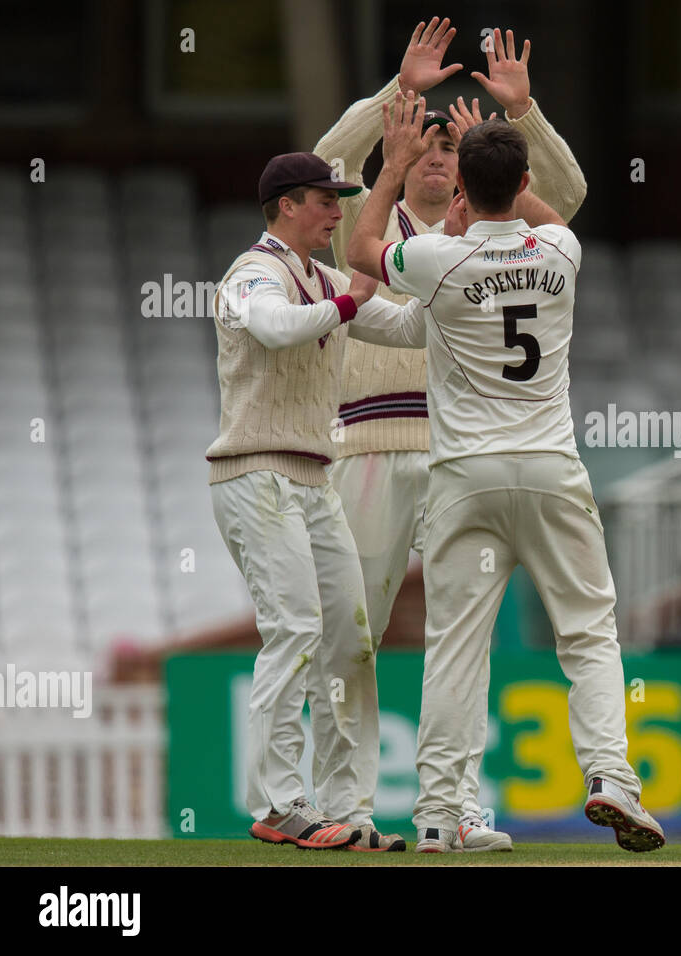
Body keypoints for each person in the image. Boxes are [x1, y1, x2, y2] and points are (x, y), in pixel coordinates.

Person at [346, 90, 664, 854]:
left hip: (464, 478)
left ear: (461, 191)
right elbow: (552, 216)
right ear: (522, 181)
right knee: (587, 634)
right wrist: (509, 138)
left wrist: (392, 171)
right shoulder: (559, 251)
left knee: (455, 645)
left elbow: (360, 255)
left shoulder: (437, 260)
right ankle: (611, 776)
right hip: (552, 468)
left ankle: (433, 817)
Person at [313, 19, 588, 853]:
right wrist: (398, 97)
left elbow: (568, 196)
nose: (435, 157)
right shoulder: (361, 219)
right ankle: (345, 804)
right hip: (367, 443)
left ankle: (456, 806)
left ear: (468, 169)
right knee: (350, 631)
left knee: (459, 637)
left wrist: (523, 114)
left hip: (459, 451)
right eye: (422, 144)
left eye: (447, 149)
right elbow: (328, 163)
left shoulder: (499, 237)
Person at [207, 151, 427, 851]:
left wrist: (453, 273)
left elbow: (406, 328)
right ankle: (278, 803)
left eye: (339, 201)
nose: (338, 213)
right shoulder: (253, 273)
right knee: (296, 628)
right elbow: (274, 328)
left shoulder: (321, 275)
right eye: (326, 201)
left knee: (348, 640)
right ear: (287, 206)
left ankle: (342, 809)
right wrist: (348, 302)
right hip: (255, 473)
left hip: (312, 479)